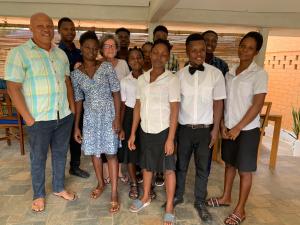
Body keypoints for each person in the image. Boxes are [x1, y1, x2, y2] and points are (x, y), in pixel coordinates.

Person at [5, 12, 76, 212]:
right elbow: (13, 88)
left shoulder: (60, 54)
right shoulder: (19, 53)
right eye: (40, 26)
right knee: (38, 157)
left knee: (61, 154)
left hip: (63, 116)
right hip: (38, 119)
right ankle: (38, 195)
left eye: (49, 25)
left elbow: (66, 81)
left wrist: (70, 108)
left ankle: (59, 187)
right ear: (30, 28)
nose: (46, 29)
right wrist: (28, 119)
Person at [206, 31, 268, 225]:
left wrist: (239, 128)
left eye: (250, 48)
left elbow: (257, 105)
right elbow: (225, 102)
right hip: (229, 127)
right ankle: (226, 197)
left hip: (247, 130)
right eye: (243, 46)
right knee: (229, 164)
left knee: (245, 170)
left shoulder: (259, 74)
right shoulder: (230, 72)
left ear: (256, 52)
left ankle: (240, 210)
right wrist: (224, 124)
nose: (245, 51)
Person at [174, 33, 226, 223]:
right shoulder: (178, 76)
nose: (198, 54)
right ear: (187, 51)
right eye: (194, 50)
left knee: (203, 168)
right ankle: (178, 195)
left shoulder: (216, 74)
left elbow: (218, 104)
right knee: (181, 165)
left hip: (206, 130)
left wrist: (215, 131)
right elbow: (175, 105)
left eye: (202, 50)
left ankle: (200, 201)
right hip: (184, 129)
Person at [128, 39, 180, 225]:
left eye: (164, 54)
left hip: (164, 131)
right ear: (150, 55)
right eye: (155, 53)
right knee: (147, 166)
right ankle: (145, 198)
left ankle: (169, 208)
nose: (159, 57)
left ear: (168, 57)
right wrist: (133, 132)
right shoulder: (142, 79)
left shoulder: (172, 79)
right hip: (145, 130)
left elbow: (175, 110)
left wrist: (171, 138)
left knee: (168, 170)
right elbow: (137, 106)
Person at [71, 31, 121, 213]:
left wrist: (117, 119)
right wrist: (76, 125)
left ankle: (114, 192)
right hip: (90, 118)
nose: (91, 51)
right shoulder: (76, 75)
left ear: (98, 50)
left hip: (108, 116)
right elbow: (78, 100)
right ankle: (101, 183)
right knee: (95, 152)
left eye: (94, 48)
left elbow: (116, 92)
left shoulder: (107, 67)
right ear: (81, 49)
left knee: (111, 154)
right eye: (87, 48)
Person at [57, 17, 89, 179]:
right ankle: (59, 173)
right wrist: (73, 68)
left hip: (80, 101)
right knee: (62, 138)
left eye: (72, 29)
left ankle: (74, 166)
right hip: (63, 101)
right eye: (66, 29)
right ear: (59, 31)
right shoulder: (56, 53)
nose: (70, 32)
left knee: (77, 133)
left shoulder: (79, 52)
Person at [99, 34, 130, 184]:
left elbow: (129, 84)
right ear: (101, 49)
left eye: (113, 46)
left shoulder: (123, 64)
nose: (110, 48)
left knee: (117, 139)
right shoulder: (97, 64)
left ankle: (117, 172)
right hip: (102, 109)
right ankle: (106, 172)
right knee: (105, 140)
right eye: (106, 45)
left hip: (120, 106)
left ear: (117, 48)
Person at [152, 25, 179, 187]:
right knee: (150, 147)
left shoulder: (173, 59)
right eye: (158, 35)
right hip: (151, 106)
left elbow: (173, 83)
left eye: (163, 35)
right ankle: (151, 171)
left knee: (165, 146)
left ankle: (162, 172)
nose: (160, 37)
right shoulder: (151, 54)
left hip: (166, 104)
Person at [202, 30, 229, 176]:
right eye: (207, 40)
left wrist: (220, 122)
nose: (210, 44)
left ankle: (202, 185)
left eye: (214, 41)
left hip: (213, 115)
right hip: (195, 116)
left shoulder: (222, 65)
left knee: (207, 152)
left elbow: (223, 95)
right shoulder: (190, 63)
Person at [119, 47, 144, 199]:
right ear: (128, 62)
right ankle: (134, 183)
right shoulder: (125, 81)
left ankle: (149, 184)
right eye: (132, 58)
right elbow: (122, 105)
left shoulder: (149, 78)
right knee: (130, 151)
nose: (136, 60)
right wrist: (121, 126)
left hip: (146, 116)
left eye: (139, 57)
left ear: (143, 59)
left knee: (146, 150)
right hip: (129, 116)